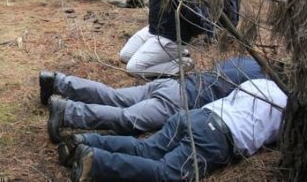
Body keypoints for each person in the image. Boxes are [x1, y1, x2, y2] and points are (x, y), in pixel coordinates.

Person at [67, 79, 287, 181]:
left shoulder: (260, 82)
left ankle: (85, 141)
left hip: (197, 115)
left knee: (146, 149)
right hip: (217, 137)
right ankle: (96, 162)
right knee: (167, 174)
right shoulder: (288, 107)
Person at [40, 56, 265, 143]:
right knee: (127, 119)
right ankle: (68, 112)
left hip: (172, 84)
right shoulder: (261, 84)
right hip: (181, 99)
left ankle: (58, 81)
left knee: (114, 96)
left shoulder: (247, 60)